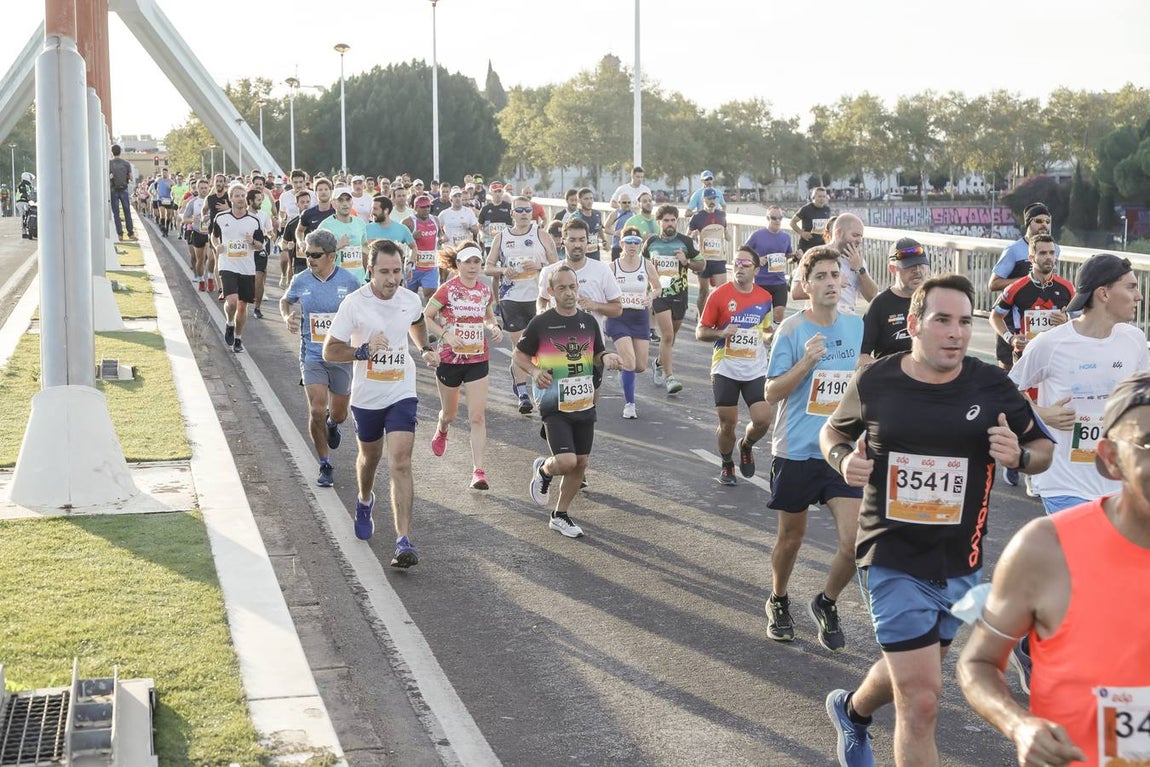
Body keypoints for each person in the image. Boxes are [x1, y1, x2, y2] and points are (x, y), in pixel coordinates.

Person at [818, 274, 1055, 767]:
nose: (956, 333)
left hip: (959, 563)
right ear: (915, 324)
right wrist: (843, 459)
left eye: (965, 323)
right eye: (943, 320)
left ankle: (853, 711)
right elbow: (833, 431)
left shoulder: (991, 384)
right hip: (889, 555)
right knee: (923, 698)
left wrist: (1020, 458)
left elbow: (1043, 448)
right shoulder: (877, 380)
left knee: (912, 674)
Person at [956, 371, 1150, 767]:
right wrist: (1019, 725)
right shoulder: (1046, 548)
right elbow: (977, 663)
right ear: (1111, 458)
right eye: (1148, 443)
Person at [764, 247, 863, 650]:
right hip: (797, 449)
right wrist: (806, 363)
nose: (829, 283)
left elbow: (858, 377)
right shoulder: (791, 330)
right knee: (791, 539)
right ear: (805, 285)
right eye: (820, 276)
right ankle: (779, 599)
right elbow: (770, 393)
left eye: (834, 275)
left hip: (840, 451)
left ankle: (826, 601)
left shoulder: (855, 326)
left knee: (855, 543)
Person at [322, 239, 440, 567]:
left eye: (397, 271)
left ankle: (403, 540)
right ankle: (364, 500)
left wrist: (424, 348)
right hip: (367, 395)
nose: (392, 279)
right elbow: (329, 352)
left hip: (401, 389)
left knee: (400, 460)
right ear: (370, 270)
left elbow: (417, 322)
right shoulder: (354, 304)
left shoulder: (409, 298)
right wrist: (362, 351)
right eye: (385, 272)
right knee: (370, 457)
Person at [1008, 252, 1148, 514]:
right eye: (1131, 287)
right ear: (1104, 294)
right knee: (1083, 555)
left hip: (1118, 484)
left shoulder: (1134, 339)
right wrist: (1041, 414)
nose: (1139, 296)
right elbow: (1004, 393)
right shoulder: (1051, 344)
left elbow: (1144, 397)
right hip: (1064, 486)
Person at [514, 265, 623, 538]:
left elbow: (597, 352)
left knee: (581, 462)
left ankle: (560, 515)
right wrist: (536, 372)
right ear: (551, 291)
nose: (568, 292)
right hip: (554, 402)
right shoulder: (541, 322)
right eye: (561, 288)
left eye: (572, 286)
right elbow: (519, 356)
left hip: (584, 402)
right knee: (565, 461)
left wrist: (606, 357)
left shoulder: (588, 321)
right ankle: (544, 469)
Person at [280, 230, 362, 488]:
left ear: (331, 256)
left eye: (315, 255)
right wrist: (287, 316)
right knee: (316, 408)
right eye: (306, 253)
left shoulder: (350, 282)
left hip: (341, 357)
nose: (309, 259)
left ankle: (332, 424)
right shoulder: (301, 280)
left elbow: (364, 311)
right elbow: (286, 300)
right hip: (313, 354)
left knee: (338, 414)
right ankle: (325, 463)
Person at [423, 243, 505, 490]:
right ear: (458, 264)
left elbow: (488, 315)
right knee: (450, 413)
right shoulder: (447, 290)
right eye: (467, 262)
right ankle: (443, 427)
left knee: (477, 417)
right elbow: (427, 316)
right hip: (449, 359)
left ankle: (478, 471)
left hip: (478, 358)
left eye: (476, 262)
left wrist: (493, 327)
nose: (472, 267)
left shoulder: (484, 289)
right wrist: (446, 335)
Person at [697, 245, 774, 485]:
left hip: (755, 368)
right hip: (725, 368)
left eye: (745, 264)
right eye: (736, 263)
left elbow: (767, 331)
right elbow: (701, 332)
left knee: (763, 420)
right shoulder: (719, 295)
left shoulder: (765, 298)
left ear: (756, 270)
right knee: (728, 423)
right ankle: (727, 462)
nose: (739, 268)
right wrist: (721, 332)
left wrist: (774, 337)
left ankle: (746, 444)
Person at [486, 196, 558, 414]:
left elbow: (558, 265)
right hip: (511, 297)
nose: (524, 213)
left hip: (539, 297)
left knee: (542, 348)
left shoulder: (541, 235)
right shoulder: (502, 237)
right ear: (512, 214)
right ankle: (523, 394)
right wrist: (502, 270)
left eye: (528, 210)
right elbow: (488, 267)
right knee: (520, 348)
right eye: (520, 210)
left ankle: (542, 386)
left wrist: (539, 265)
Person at [989, 234, 1072, 371]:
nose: (1049, 257)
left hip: (1056, 357)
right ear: (1031, 258)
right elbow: (995, 316)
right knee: (1023, 393)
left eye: (1052, 253)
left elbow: (1082, 317)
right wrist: (1010, 339)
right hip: (1025, 357)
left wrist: (1067, 319)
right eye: (1043, 253)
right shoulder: (1015, 288)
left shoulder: (1067, 288)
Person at [645, 204, 704, 394]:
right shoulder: (651, 243)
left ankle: (659, 363)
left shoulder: (685, 242)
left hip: (679, 294)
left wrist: (686, 262)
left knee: (672, 336)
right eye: (665, 220)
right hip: (660, 295)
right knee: (668, 335)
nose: (669, 224)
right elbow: (642, 266)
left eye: (672, 220)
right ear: (659, 222)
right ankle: (670, 377)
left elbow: (702, 264)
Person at [607, 226, 659, 418]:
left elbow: (657, 287)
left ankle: (622, 365)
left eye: (636, 243)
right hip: (619, 318)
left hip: (639, 318)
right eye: (628, 242)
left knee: (639, 366)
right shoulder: (612, 267)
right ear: (621, 243)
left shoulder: (646, 265)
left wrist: (651, 296)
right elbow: (603, 289)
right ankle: (630, 404)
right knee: (629, 361)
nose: (632, 246)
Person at [210, 182, 266, 353]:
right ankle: (229, 323)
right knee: (232, 301)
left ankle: (238, 338)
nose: (240, 199)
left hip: (247, 267)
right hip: (227, 264)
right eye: (237, 196)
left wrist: (252, 242)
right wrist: (216, 246)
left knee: (242, 305)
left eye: (243, 195)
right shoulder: (221, 217)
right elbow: (214, 236)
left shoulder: (254, 220)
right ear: (230, 198)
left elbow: (260, 245)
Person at [858, 238, 930, 366]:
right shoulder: (880, 305)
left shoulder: (934, 300)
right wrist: (889, 373)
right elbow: (861, 356)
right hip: (893, 381)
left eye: (920, 265)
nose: (917, 270)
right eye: (909, 266)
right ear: (892, 269)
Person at [744, 205, 793, 326]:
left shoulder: (786, 237)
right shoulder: (757, 235)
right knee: (761, 314)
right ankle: (759, 337)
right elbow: (743, 253)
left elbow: (789, 257)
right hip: (761, 282)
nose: (777, 221)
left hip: (779, 282)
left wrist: (796, 255)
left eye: (780, 218)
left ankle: (776, 338)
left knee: (779, 313)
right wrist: (757, 259)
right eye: (773, 218)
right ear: (767, 218)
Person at [687, 188, 730, 318]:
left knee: (722, 291)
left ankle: (719, 318)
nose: (712, 201)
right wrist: (693, 235)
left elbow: (727, 236)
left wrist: (727, 235)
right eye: (709, 199)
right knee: (703, 292)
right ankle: (701, 318)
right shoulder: (697, 217)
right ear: (703, 199)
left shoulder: (721, 215)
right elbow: (687, 236)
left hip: (719, 259)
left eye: (714, 199)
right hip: (703, 260)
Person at [319, 186, 368, 284]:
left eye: (348, 199)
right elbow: (317, 254)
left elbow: (364, 249)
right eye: (340, 200)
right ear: (333, 203)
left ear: (352, 202)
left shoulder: (360, 223)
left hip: (359, 280)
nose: (345, 204)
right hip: (335, 280)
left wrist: (368, 275)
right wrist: (337, 247)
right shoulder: (325, 225)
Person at [405, 194, 443, 302]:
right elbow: (399, 242)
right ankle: (413, 318)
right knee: (410, 297)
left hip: (431, 265)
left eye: (428, 206)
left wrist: (442, 238)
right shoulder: (408, 222)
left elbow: (441, 234)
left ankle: (428, 317)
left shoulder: (435, 220)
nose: (426, 209)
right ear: (415, 208)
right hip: (413, 266)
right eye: (423, 207)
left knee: (430, 293)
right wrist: (412, 236)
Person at [247, 188, 277, 319]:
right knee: (247, 280)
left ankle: (257, 307)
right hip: (245, 252)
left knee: (259, 279)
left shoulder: (264, 215)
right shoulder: (243, 215)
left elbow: (270, 232)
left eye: (261, 200)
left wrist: (271, 235)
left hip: (260, 251)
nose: (260, 202)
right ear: (250, 201)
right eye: (258, 200)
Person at [180, 177, 213, 291]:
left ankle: (210, 277)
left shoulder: (213, 201)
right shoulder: (192, 202)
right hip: (198, 232)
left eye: (205, 188)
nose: (204, 190)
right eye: (201, 188)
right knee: (200, 259)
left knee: (212, 258)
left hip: (211, 233)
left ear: (209, 188)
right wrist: (193, 220)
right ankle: (201, 280)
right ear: (197, 189)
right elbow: (184, 219)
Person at [568, 188, 608, 261]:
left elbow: (599, 228)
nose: (589, 201)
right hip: (581, 254)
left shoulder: (597, 214)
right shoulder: (575, 217)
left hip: (595, 253)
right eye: (586, 199)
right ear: (579, 201)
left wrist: (604, 240)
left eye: (591, 198)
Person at [790, 186, 832, 255]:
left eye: (824, 196)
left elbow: (828, 225)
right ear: (813, 197)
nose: (822, 199)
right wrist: (802, 233)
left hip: (821, 246)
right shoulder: (806, 209)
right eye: (819, 196)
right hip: (807, 245)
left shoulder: (827, 209)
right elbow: (792, 222)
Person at [109, 143, 136, 241]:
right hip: (124, 189)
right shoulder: (126, 163)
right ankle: (130, 233)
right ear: (120, 152)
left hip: (113, 190)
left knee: (116, 213)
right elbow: (131, 177)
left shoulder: (109, 163)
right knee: (127, 212)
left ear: (112, 152)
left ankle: (120, 234)